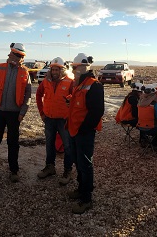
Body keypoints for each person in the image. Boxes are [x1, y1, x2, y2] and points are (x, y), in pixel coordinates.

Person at [0, 43, 33, 182]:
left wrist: (22, 113)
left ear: (20, 57)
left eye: (13, 54)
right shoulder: (0, 68)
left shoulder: (25, 72)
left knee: (13, 143)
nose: (10, 56)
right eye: (11, 53)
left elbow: (28, 95)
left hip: (14, 114)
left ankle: (14, 170)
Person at [67, 53, 106, 214]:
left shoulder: (94, 85)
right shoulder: (80, 83)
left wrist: (84, 129)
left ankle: (86, 198)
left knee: (85, 164)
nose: (73, 70)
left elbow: (97, 111)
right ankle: (81, 188)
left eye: (75, 68)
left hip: (83, 132)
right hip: (74, 130)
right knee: (78, 161)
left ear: (83, 67)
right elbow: (79, 103)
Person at [34, 57, 74, 181]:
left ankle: (67, 170)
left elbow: (74, 99)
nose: (55, 72)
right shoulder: (46, 81)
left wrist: (70, 117)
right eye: (53, 69)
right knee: (49, 145)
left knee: (68, 146)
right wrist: (42, 113)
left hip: (64, 120)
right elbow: (38, 95)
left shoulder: (70, 82)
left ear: (62, 69)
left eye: (57, 69)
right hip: (49, 119)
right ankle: (50, 167)